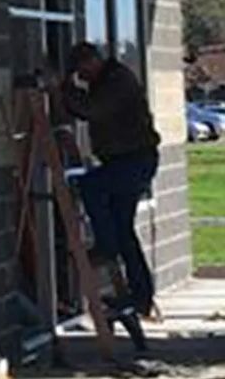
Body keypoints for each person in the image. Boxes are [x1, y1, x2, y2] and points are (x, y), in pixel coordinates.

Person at [61, 42, 160, 316]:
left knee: (91, 186)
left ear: (92, 61)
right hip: (123, 161)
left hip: (134, 160)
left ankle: (106, 246)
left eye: (82, 71)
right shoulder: (105, 81)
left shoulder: (117, 81)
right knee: (123, 229)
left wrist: (63, 88)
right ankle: (140, 296)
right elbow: (83, 109)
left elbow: (92, 110)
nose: (82, 78)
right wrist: (67, 92)